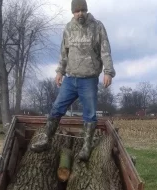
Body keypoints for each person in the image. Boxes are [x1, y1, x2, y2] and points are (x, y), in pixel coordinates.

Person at [31, 0, 116, 161]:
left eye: (82, 10)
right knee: (56, 108)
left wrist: (108, 72)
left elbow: (105, 50)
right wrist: (59, 72)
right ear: (73, 13)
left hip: (89, 80)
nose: (80, 14)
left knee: (89, 114)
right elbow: (64, 52)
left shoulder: (97, 27)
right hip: (70, 79)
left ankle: (86, 148)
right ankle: (46, 139)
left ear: (87, 10)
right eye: (77, 11)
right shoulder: (68, 28)